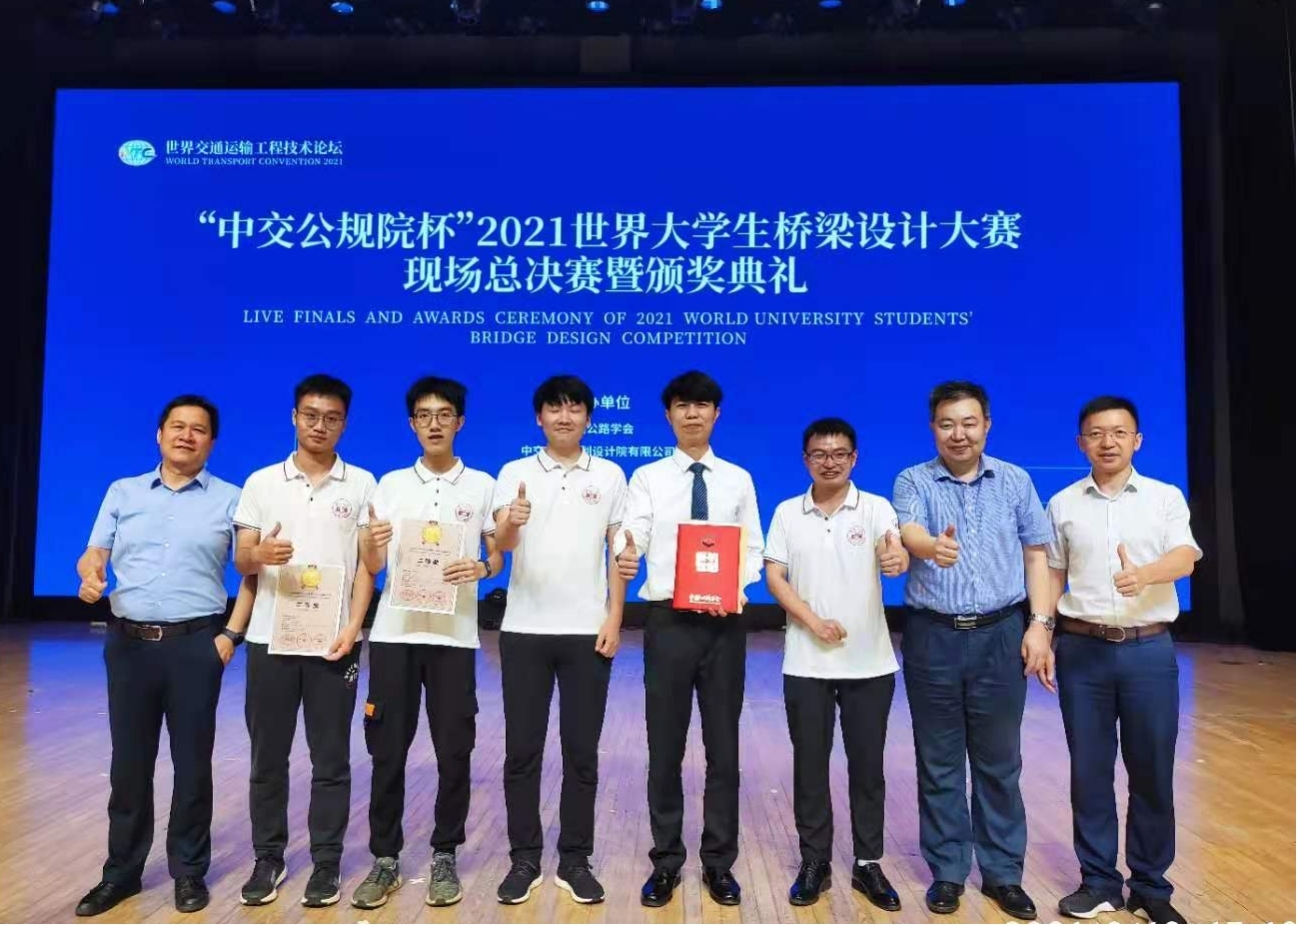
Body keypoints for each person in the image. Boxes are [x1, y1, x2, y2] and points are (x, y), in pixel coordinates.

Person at [72, 395, 243, 917]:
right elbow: (94, 553)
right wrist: (90, 574)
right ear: (159, 434)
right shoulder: (122, 492)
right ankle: (121, 873)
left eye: (198, 429)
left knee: (192, 764)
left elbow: (252, 572)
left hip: (196, 644)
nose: (186, 435)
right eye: (177, 426)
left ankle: (188, 871)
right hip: (128, 646)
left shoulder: (231, 500)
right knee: (129, 764)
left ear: (211, 441)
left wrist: (230, 636)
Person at [892, 380, 1055, 921]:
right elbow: (909, 531)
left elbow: (1037, 555)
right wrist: (931, 547)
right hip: (932, 634)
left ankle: (1004, 874)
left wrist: (1040, 625)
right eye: (947, 424)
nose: (958, 434)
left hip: (1001, 633)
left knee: (999, 761)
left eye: (968, 423)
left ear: (986, 425)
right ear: (933, 428)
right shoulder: (913, 479)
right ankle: (947, 871)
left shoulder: (1015, 480)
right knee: (938, 760)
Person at [1046, 397, 1200, 925]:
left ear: (1137, 440)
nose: (1107, 442)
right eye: (1095, 433)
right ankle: (1098, 883)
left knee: (1152, 770)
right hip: (1082, 650)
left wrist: (1147, 575)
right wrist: (1042, 630)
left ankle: (1151, 888)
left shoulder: (1164, 497)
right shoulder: (1063, 503)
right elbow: (1053, 572)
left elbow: (1186, 556)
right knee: (1089, 771)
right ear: (1081, 443)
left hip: (1147, 650)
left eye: (1118, 432)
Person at [349, 376, 501, 910]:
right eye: (423, 415)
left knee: (454, 749)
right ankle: (385, 859)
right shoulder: (388, 485)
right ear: (412, 424)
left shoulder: (482, 485)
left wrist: (483, 567)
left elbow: (497, 556)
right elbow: (372, 564)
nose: (434, 423)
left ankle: (445, 854)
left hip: (454, 637)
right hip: (395, 635)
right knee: (387, 750)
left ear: (460, 422)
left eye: (444, 414)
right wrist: (372, 545)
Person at [615, 370, 764, 909]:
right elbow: (634, 531)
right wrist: (627, 551)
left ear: (716, 414)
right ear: (669, 414)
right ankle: (666, 861)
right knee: (665, 747)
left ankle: (719, 863)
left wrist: (734, 589)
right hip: (669, 623)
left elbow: (752, 549)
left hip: (724, 625)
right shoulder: (648, 477)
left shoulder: (738, 479)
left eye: (702, 405)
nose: (693, 414)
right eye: (682, 405)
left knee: (724, 748)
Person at [232, 374, 377, 908]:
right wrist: (259, 556)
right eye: (311, 415)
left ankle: (326, 863)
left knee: (331, 760)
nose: (320, 426)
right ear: (294, 417)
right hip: (270, 640)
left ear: (344, 424)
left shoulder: (362, 484)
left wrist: (353, 628)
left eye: (331, 418)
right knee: (267, 759)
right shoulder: (261, 482)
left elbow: (368, 568)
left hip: (333, 644)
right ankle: (268, 859)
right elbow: (242, 558)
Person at [490, 374, 628, 906]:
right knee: (522, 751)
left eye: (574, 409)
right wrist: (512, 521)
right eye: (554, 408)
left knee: (581, 751)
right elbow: (502, 545)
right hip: (525, 630)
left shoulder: (610, 475)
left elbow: (619, 550)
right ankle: (524, 858)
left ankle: (575, 859)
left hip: (586, 632)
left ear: (588, 418)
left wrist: (614, 617)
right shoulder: (515, 473)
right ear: (539, 418)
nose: (564, 417)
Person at [763, 418, 907, 911]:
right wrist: (813, 622)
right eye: (820, 454)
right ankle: (815, 862)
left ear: (854, 458)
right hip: (806, 663)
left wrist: (896, 559)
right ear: (806, 459)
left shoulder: (876, 508)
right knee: (810, 766)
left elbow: (894, 550)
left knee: (868, 767)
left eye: (840, 454)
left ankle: (868, 863)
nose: (830, 462)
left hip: (869, 663)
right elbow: (775, 577)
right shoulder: (788, 512)